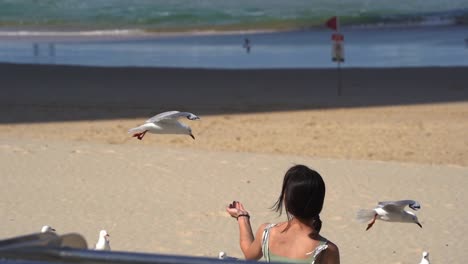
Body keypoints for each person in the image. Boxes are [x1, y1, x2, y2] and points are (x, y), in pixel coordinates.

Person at [226, 164, 340, 264]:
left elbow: (249, 255)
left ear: (287, 200)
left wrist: (242, 217)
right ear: (320, 203)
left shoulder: (267, 233)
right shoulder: (327, 250)